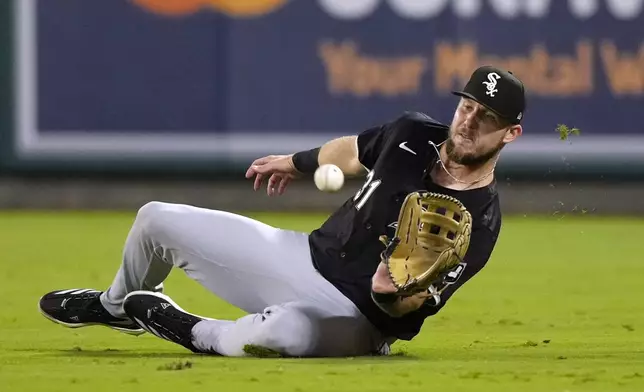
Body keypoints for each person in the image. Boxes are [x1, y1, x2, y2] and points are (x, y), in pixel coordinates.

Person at [38, 65, 525, 357]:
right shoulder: (413, 133)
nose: (470, 122)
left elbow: (405, 315)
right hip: (305, 258)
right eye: (468, 107)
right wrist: (295, 163)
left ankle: (190, 330)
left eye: (488, 118)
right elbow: (353, 151)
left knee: (282, 333)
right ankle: (117, 306)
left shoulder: (480, 223)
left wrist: (391, 294)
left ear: (510, 134)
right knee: (155, 219)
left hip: (356, 319)